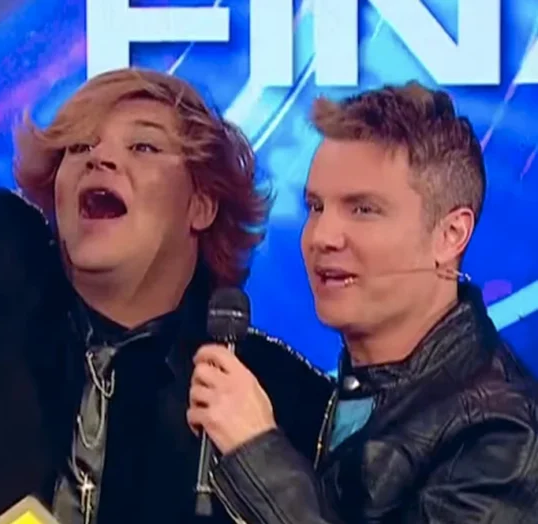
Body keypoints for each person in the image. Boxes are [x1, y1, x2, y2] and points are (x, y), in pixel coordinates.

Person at [0, 2, 333, 523]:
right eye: (78, 148)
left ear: (201, 204)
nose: (100, 158)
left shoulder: (271, 395)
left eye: (143, 147)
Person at [190, 82, 538, 522]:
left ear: (450, 235)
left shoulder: (504, 432)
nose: (322, 237)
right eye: (316, 207)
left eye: (363, 210)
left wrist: (256, 452)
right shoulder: (319, 395)